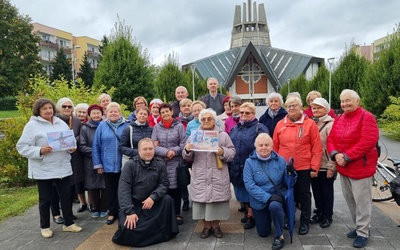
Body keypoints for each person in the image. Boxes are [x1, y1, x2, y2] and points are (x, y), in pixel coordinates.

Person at [16, 98, 82, 238]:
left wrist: (71, 148)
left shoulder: (61, 124)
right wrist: (39, 151)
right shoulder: (32, 126)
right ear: (38, 111)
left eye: (50, 108)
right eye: (44, 108)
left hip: (62, 166)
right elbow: (21, 147)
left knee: (66, 196)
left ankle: (68, 224)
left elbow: (69, 142)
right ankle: (45, 227)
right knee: (45, 199)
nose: (48, 111)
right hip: (43, 168)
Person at [327, 89, 378, 248]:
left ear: (357, 101)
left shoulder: (366, 117)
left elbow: (368, 141)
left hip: (360, 167)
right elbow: (331, 139)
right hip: (344, 167)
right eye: (342, 101)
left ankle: (363, 232)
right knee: (350, 199)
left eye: (348, 100)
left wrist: (346, 156)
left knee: (362, 202)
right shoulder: (340, 118)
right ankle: (359, 227)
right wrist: (335, 155)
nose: (344, 104)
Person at [112, 138, 179, 247]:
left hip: (152, 203)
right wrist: (129, 212)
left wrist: (153, 197)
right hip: (135, 205)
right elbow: (123, 189)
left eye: (150, 149)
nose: (148, 152)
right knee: (127, 230)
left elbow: (164, 184)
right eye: (145, 149)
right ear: (139, 151)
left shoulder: (160, 163)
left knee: (168, 200)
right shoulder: (130, 165)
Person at [273, 96, 322, 236]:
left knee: (304, 194)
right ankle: (289, 219)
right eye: (289, 106)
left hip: (303, 167)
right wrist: (276, 166)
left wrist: (314, 167)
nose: (291, 108)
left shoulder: (310, 124)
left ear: (300, 107)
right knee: (288, 195)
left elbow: (317, 148)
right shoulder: (280, 124)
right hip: (285, 167)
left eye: (294, 105)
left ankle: (305, 222)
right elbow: (275, 147)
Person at [183, 109, 235, 239]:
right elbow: (187, 157)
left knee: (216, 200)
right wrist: (187, 150)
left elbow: (232, 152)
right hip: (201, 174)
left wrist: (222, 151)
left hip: (218, 173)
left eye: (209, 119)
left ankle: (216, 226)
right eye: (203, 119)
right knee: (203, 201)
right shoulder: (194, 136)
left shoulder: (223, 135)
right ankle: (206, 226)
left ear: (214, 120)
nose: (206, 121)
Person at [244, 133, 287, 250]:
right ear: (256, 147)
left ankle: (279, 235)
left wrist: (292, 174)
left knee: (274, 206)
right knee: (263, 233)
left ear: (272, 146)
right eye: (260, 145)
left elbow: (288, 183)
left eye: (267, 145)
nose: (264, 148)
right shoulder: (249, 162)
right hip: (259, 200)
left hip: (276, 197)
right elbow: (249, 185)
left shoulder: (281, 160)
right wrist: (267, 197)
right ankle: (268, 218)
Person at [229, 102, 269, 230]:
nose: (244, 115)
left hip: (253, 167)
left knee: (251, 192)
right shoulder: (235, 128)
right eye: (242, 113)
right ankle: (248, 212)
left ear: (253, 114)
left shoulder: (260, 127)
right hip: (237, 166)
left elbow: (264, 147)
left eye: (247, 112)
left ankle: (252, 216)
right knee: (241, 192)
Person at [92, 102, 129, 225]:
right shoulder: (102, 126)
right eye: (110, 111)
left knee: (124, 189)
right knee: (110, 189)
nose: (113, 113)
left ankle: (123, 211)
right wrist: (98, 164)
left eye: (115, 111)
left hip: (123, 164)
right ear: (106, 113)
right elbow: (96, 146)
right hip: (107, 164)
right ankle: (112, 212)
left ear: (120, 113)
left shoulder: (127, 125)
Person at [151, 103, 186, 225]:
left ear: (171, 112)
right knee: (162, 188)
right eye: (162, 112)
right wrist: (166, 152)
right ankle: (165, 213)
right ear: (160, 115)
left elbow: (183, 144)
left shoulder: (179, 126)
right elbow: (153, 146)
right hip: (160, 162)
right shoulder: (156, 128)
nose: (165, 114)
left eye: (167, 111)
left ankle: (177, 213)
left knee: (175, 189)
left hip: (175, 162)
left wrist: (173, 151)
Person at [55, 98, 88, 213]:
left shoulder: (76, 121)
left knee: (73, 185)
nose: (67, 108)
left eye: (69, 106)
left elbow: (81, 135)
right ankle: (60, 213)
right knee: (61, 187)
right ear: (59, 107)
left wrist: (73, 140)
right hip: (59, 157)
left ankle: (69, 214)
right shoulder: (54, 120)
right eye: (64, 106)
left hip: (74, 156)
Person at [309, 98, 336, 228]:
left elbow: (334, 146)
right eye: (314, 108)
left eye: (319, 108)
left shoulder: (331, 124)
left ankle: (327, 215)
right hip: (315, 165)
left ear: (326, 109)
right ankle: (319, 212)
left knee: (327, 192)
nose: (316, 110)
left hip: (326, 165)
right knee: (316, 191)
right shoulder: (311, 123)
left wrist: (332, 167)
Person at [79, 104, 108, 218]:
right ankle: (96, 208)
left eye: (98, 113)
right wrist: (96, 152)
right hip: (90, 160)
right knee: (93, 185)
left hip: (105, 160)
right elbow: (82, 146)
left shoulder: (106, 125)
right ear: (89, 114)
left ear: (102, 114)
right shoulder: (85, 128)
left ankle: (105, 207)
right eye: (93, 113)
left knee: (105, 184)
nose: (96, 115)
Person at [175, 97, 194, 211]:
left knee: (196, 178)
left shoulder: (198, 119)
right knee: (182, 179)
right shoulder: (176, 121)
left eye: (188, 105)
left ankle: (197, 199)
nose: (186, 107)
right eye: (184, 106)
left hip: (195, 154)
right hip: (182, 153)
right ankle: (185, 200)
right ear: (180, 108)